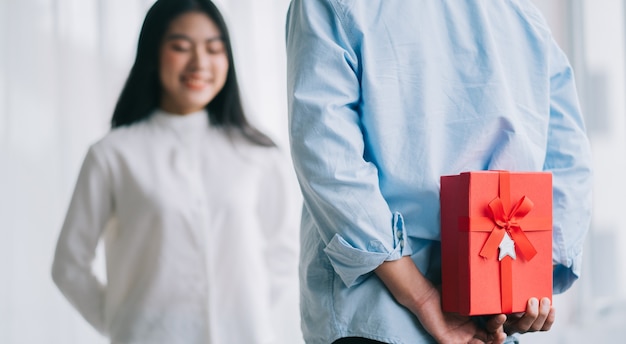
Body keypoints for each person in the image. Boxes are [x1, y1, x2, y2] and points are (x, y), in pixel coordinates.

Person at [285, 0, 592, 343]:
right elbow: (570, 161)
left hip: (374, 313)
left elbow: (328, 156)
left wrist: (422, 296)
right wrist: (527, 281)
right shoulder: (521, 13)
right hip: (492, 311)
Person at [51, 0, 303, 343]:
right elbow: (69, 264)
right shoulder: (112, 154)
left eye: (214, 49)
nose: (200, 62)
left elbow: (284, 250)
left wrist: (242, 310)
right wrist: (122, 323)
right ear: (153, 54)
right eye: (181, 47)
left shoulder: (258, 153)